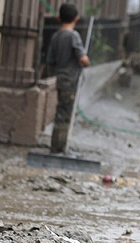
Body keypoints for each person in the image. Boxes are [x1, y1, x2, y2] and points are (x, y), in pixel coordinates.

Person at [46, 3, 91, 154]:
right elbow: (83, 59)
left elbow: (50, 60)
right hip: (71, 80)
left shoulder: (56, 36)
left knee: (61, 111)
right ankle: (60, 148)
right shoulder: (73, 36)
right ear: (76, 19)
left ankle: (56, 145)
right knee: (65, 114)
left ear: (59, 18)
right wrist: (85, 61)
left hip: (60, 78)